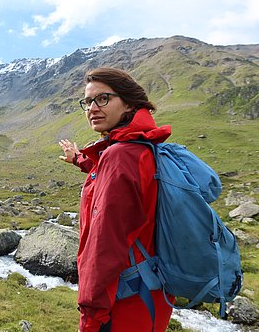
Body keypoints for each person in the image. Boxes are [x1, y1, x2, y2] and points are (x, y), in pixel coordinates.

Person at [59, 68, 174, 332]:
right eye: (87, 102)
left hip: (121, 302)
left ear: (129, 103)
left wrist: (90, 316)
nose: (92, 108)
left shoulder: (119, 156)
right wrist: (78, 158)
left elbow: (103, 248)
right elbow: (114, 176)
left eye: (103, 99)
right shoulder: (143, 146)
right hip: (151, 294)